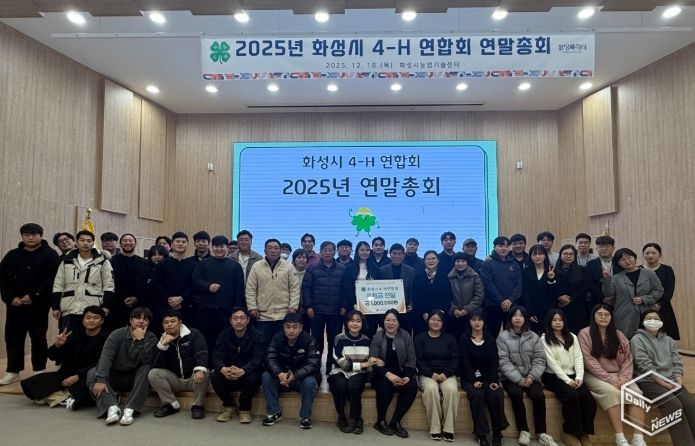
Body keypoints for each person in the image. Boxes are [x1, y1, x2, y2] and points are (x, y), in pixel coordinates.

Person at [0, 223, 60, 384]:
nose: (30, 238)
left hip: (38, 305)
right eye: (27, 235)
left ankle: (39, 369)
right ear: (22, 236)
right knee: (13, 338)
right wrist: (10, 298)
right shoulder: (12, 254)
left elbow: (52, 279)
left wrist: (34, 296)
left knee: (38, 338)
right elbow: (3, 279)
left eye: (34, 234)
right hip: (15, 305)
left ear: (41, 235)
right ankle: (13, 370)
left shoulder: (50, 254)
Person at [579, 304, 646, 446]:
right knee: (612, 393)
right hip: (594, 375)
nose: (603, 317)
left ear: (611, 317)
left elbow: (628, 358)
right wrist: (610, 379)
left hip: (620, 375)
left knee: (637, 394)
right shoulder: (584, 333)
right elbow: (588, 361)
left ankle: (638, 439)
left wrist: (624, 378)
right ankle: (620, 438)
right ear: (593, 316)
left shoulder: (619, 334)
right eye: (599, 314)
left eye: (606, 315)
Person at [21, 306, 108, 410]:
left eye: (95, 318)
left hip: (88, 376)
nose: (91, 320)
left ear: (102, 321)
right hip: (66, 374)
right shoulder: (74, 334)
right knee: (34, 382)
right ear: (83, 320)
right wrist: (57, 345)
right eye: (88, 317)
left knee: (89, 388)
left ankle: (60, 396)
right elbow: (52, 356)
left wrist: (78, 376)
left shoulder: (107, 338)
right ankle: (65, 396)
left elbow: (100, 363)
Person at [631, 310, 695, 446]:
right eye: (649, 318)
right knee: (673, 404)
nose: (653, 321)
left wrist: (678, 378)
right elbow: (644, 365)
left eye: (656, 318)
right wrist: (663, 383)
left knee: (690, 403)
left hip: (671, 379)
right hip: (648, 380)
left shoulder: (669, 340)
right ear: (643, 322)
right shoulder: (637, 340)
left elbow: (676, 361)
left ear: (661, 322)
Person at [497, 306, 558, 446]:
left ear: (525, 319)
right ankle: (523, 431)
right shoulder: (503, 337)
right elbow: (503, 361)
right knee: (516, 394)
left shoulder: (534, 337)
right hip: (511, 378)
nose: (518, 318)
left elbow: (540, 360)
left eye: (521, 316)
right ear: (510, 318)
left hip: (531, 376)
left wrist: (531, 377)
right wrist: (518, 379)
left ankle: (542, 433)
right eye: (515, 315)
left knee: (538, 395)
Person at [86, 307, 157, 426]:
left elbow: (148, 361)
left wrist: (141, 341)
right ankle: (112, 408)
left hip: (134, 378)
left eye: (145, 319)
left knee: (147, 369)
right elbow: (106, 356)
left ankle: (131, 408)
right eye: (137, 318)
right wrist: (101, 379)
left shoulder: (151, 337)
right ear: (130, 320)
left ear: (148, 323)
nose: (141, 321)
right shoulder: (117, 334)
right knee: (93, 373)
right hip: (115, 375)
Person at [541, 309, 596, 446]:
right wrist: (567, 380)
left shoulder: (572, 337)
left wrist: (579, 377)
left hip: (574, 375)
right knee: (572, 396)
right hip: (553, 376)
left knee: (588, 398)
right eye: (554, 320)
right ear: (549, 322)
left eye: (560, 320)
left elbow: (578, 358)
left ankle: (584, 433)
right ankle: (569, 433)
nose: (557, 322)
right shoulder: (544, 339)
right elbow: (552, 363)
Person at [459, 309, 509, 446]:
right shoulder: (463, 339)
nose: (476, 322)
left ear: (484, 321)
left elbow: (493, 362)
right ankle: (482, 434)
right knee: (477, 394)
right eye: (473, 319)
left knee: (497, 393)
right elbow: (465, 363)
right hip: (469, 378)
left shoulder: (490, 340)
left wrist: (493, 381)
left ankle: (497, 433)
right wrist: (474, 380)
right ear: (469, 322)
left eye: (479, 319)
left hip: (487, 377)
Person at [261, 313, 320, 429]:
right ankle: (274, 412)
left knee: (310, 382)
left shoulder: (309, 340)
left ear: (301, 327)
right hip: (281, 378)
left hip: (300, 379)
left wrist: (295, 376)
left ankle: (305, 417)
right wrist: (279, 373)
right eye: (288, 327)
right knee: (266, 376)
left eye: (295, 327)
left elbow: (313, 364)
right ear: (283, 327)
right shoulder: (277, 339)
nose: (291, 331)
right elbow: (270, 358)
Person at [148, 310, 209, 419]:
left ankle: (197, 406)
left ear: (180, 323)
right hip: (175, 380)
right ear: (162, 325)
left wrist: (199, 369)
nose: (169, 324)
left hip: (193, 379)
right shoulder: (161, 340)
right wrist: (162, 345)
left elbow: (202, 353)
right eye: (166, 322)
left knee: (204, 370)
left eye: (173, 321)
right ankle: (171, 404)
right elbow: (155, 364)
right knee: (153, 373)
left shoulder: (194, 334)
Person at [51, 230, 113, 334]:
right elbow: (58, 284)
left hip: (93, 308)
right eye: (82, 240)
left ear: (93, 243)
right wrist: (55, 307)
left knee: (91, 340)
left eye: (89, 241)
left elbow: (109, 285)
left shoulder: (102, 261)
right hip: (69, 308)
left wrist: (106, 306)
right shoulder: (66, 261)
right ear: (76, 242)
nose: (85, 243)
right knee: (67, 339)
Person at [192, 235, 245, 355]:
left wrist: (237, 310)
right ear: (212, 247)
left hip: (227, 311)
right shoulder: (203, 264)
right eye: (216, 246)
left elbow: (239, 289)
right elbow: (195, 281)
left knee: (226, 341)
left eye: (222, 246)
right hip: (206, 310)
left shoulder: (235, 266)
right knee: (206, 340)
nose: (219, 249)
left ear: (227, 247)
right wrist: (208, 286)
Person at [211, 307, 265, 424]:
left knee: (255, 376)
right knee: (215, 376)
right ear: (231, 321)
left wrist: (243, 370)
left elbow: (258, 359)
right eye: (235, 318)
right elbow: (216, 356)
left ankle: (245, 409)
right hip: (229, 373)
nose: (238, 321)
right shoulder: (224, 335)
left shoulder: (257, 336)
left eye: (242, 318)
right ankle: (228, 406)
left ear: (248, 320)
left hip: (247, 373)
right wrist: (223, 368)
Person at [370, 310, 417, 438]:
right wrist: (388, 374)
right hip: (381, 374)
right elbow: (373, 360)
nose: (390, 323)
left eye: (394, 320)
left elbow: (411, 360)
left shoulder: (406, 336)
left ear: (399, 322)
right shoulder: (378, 337)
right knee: (386, 385)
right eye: (387, 320)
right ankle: (380, 421)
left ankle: (395, 421)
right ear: (383, 322)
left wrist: (407, 376)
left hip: (401, 373)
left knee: (412, 386)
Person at [302, 241, 347, 374]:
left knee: (334, 340)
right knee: (316, 341)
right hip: (317, 311)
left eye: (330, 250)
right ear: (320, 252)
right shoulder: (312, 268)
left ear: (335, 252)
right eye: (325, 250)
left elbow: (346, 289)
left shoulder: (342, 269)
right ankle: (316, 366)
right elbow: (306, 288)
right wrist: (308, 306)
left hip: (335, 311)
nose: (328, 253)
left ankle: (330, 365)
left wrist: (344, 305)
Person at [414, 310, 459, 442]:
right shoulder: (420, 338)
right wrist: (430, 374)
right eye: (433, 319)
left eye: (439, 320)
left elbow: (456, 359)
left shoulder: (450, 338)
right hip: (427, 374)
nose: (436, 322)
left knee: (451, 390)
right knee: (431, 389)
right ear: (428, 321)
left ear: (443, 323)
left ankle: (449, 428)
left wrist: (446, 373)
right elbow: (418, 360)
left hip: (447, 374)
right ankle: (435, 427)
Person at [328, 310, 375, 434]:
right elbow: (343, 364)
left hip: (359, 373)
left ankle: (357, 419)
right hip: (339, 371)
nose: (355, 324)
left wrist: (374, 363)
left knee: (353, 386)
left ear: (362, 323)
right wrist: (365, 364)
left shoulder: (367, 340)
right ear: (347, 323)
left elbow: (370, 365)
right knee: (339, 385)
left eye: (358, 321)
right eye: (352, 321)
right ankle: (341, 417)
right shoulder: (339, 338)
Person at [246, 238, 300, 341]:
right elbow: (250, 289)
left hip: (283, 314)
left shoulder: (288, 267)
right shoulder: (257, 266)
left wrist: (293, 307)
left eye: (276, 248)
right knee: (263, 343)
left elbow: (294, 289)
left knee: (281, 344)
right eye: (269, 248)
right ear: (265, 251)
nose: (273, 251)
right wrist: (252, 307)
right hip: (262, 315)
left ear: (280, 250)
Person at [602, 248, 663, 338]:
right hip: (624, 315)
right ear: (618, 263)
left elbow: (659, 290)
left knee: (649, 338)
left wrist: (644, 299)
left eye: (629, 257)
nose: (627, 261)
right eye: (622, 260)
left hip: (647, 312)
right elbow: (608, 294)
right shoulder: (616, 278)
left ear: (634, 257)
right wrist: (607, 279)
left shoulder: (649, 274)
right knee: (626, 340)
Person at [150, 232, 196, 330]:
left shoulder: (193, 265)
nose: (180, 244)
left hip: (186, 306)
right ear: (171, 244)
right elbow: (156, 284)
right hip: (164, 306)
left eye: (183, 242)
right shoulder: (162, 264)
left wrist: (181, 298)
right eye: (177, 241)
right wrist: (170, 299)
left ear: (187, 244)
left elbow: (194, 285)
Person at [480, 236, 522, 337]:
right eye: (500, 246)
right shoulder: (488, 263)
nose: (504, 248)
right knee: (491, 335)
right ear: (494, 247)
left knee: (513, 335)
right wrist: (501, 301)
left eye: (506, 246)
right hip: (493, 306)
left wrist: (510, 300)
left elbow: (519, 284)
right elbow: (488, 284)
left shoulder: (514, 264)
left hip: (511, 306)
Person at [105, 233, 148, 331]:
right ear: (120, 244)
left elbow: (144, 284)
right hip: (116, 304)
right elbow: (110, 281)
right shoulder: (112, 261)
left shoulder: (143, 262)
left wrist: (136, 298)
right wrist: (122, 298)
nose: (128, 243)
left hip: (138, 304)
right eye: (125, 241)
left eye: (130, 240)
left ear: (135, 244)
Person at [340, 241, 380, 336]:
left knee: (369, 334)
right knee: (353, 334)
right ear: (357, 251)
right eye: (362, 250)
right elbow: (347, 289)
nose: (364, 252)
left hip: (371, 308)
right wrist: (354, 304)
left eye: (367, 250)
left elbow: (379, 288)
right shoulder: (349, 269)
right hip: (353, 307)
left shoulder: (376, 269)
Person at [641, 242, 679, 339]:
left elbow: (669, 291)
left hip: (662, 307)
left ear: (660, 254)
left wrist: (658, 305)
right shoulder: (638, 269)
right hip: (642, 308)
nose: (650, 255)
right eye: (647, 253)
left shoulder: (667, 269)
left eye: (654, 253)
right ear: (643, 254)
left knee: (665, 336)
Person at [412, 250, 452, 335]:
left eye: (433, 258)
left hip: (439, 318)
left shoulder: (444, 277)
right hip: (421, 318)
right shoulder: (417, 277)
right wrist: (423, 313)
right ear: (424, 261)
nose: (431, 261)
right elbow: (415, 297)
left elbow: (447, 297)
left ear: (438, 260)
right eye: (428, 259)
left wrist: (438, 314)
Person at [554, 244, 591, 334]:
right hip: (559, 307)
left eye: (571, 254)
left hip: (578, 307)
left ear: (575, 256)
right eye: (565, 253)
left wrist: (571, 298)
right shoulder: (553, 270)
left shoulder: (582, 270)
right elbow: (549, 288)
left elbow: (585, 287)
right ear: (560, 255)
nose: (568, 256)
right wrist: (558, 297)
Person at [379, 243, 416, 334]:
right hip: (387, 311)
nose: (397, 256)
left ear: (403, 255)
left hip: (405, 311)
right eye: (394, 253)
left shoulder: (411, 271)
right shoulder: (382, 270)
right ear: (390, 254)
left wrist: (412, 304)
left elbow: (413, 290)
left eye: (399, 254)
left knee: (404, 336)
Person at [521, 245, 557, 334]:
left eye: (540, 254)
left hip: (548, 310)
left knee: (548, 336)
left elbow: (554, 293)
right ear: (530, 256)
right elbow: (525, 293)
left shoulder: (552, 270)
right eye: (534, 254)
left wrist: (551, 279)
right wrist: (529, 312)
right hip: (532, 310)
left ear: (545, 256)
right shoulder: (525, 271)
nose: (537, 257)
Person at [447, 252, 484, 337]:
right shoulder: (448, 277)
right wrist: (453, 309)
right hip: (454, 315)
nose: (460, 264)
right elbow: (445, 296)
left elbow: (479, 295)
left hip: (471, 314)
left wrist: (467, 309)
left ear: (467, 262)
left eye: (463, 261)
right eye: (457, 261)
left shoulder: (475, 276)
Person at [585, 235, 618, 308]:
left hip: (618, 301)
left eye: (607, 246)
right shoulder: (591, 264)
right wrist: (603, 298)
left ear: (613, 248)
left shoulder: (618, 262)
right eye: (601, 246)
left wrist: (614, 297)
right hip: (597, 301)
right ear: (596, 248)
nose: (604, 248)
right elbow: (589, 284)